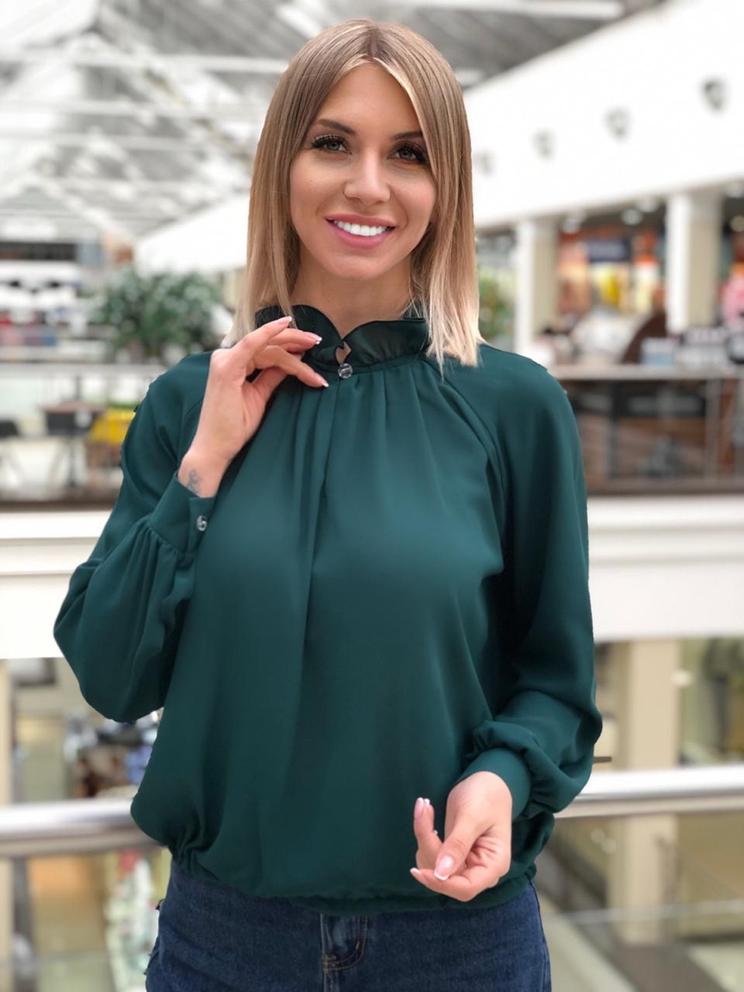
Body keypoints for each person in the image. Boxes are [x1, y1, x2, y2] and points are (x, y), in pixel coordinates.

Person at [53, 17, 602, 991]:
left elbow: (556, 681)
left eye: (409, 154)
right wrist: (205, 465)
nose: (369, 185)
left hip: (458, 943)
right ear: (283, 167)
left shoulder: (515, 407)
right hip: (226, 942)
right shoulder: (188, 405)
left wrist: (503, 774)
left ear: (446, 188)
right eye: (333, 143)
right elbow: (112, 673)